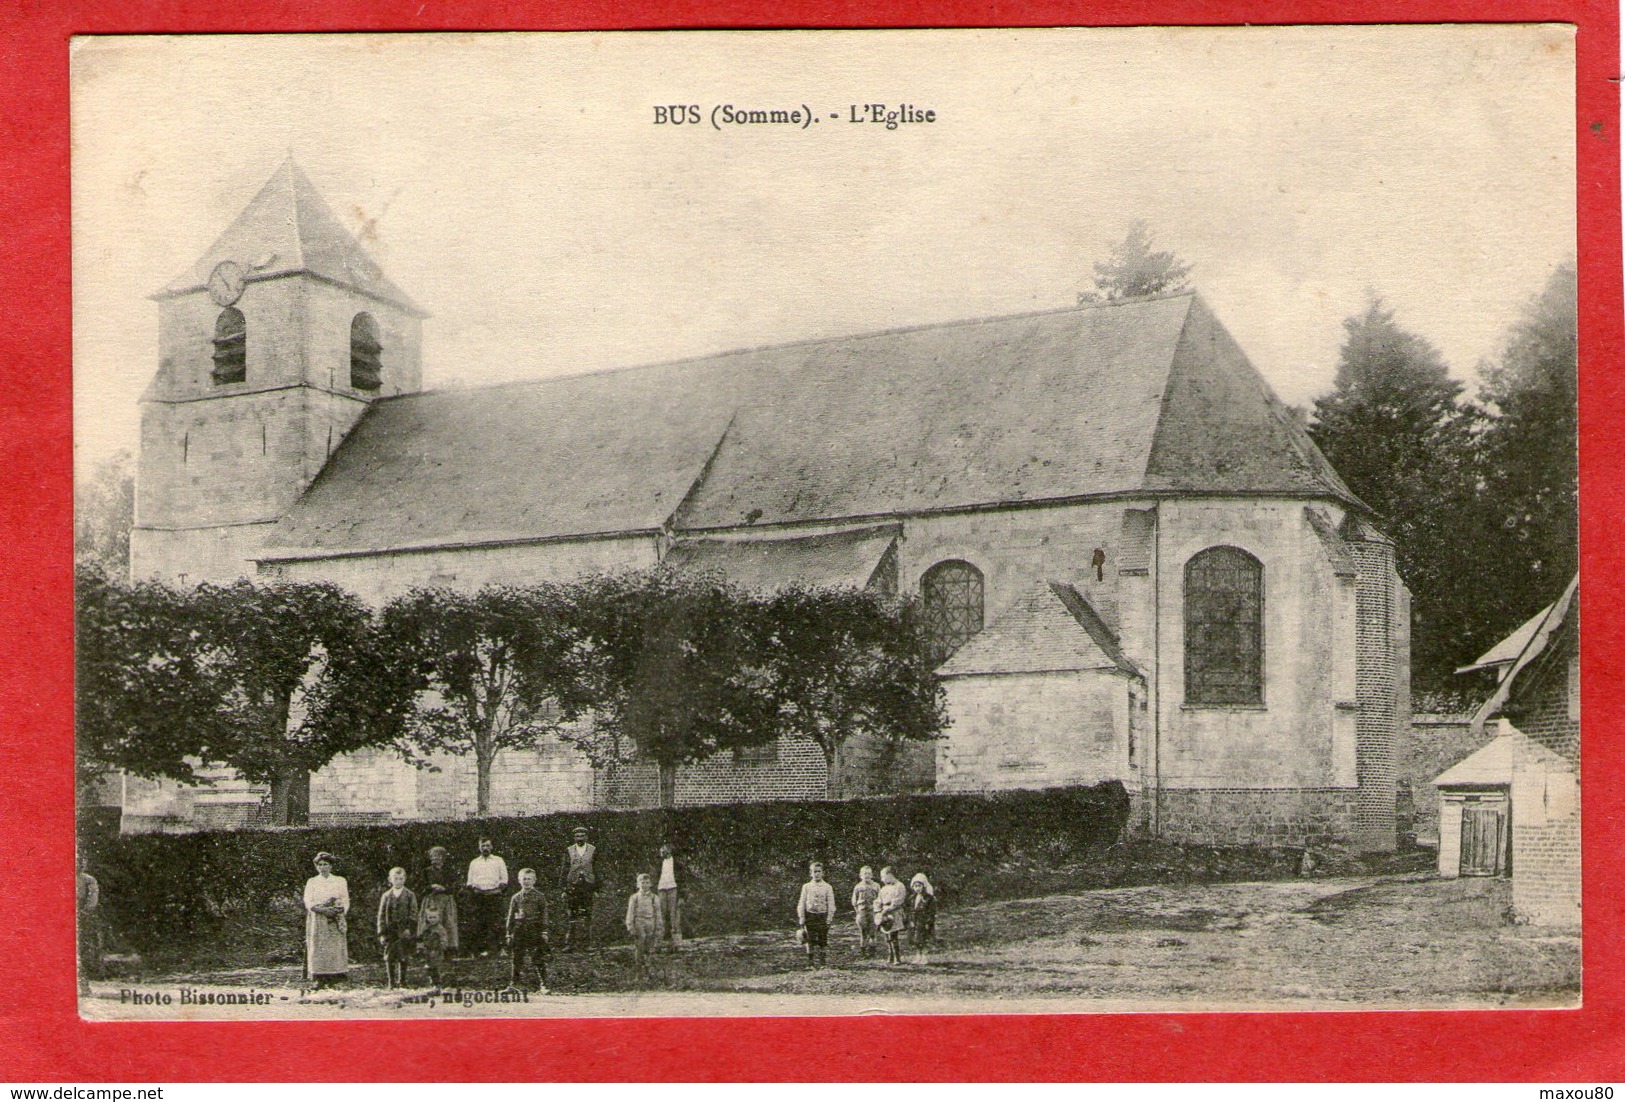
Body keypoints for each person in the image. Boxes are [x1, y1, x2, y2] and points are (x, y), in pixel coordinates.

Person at [303, 852, 351, 988]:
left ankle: (335, 977)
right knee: (319, 947)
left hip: (334, 917)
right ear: (316, 867)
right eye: (320, 865)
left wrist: (337, 910)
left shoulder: (340, 880)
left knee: (335, 946)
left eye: (326, 864)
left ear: (331, 866)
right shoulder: (312, 882)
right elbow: (307, 900)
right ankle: (319, 978)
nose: (323, 867)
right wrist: (322, 910)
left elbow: (345, 899)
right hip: (318, 917)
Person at [505, 868, 550, 993]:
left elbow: (544, 915)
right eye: (524, 879)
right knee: (516, 958)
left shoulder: (540, 897)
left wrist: (544, 931)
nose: (526, 882)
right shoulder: (516, 898)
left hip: (534, 930)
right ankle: (514, 984)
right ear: (519, 880)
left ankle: (544, 985)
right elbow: (510, 917)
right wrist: (508, 934)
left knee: (537, 957)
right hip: (519, 930)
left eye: (529, 879)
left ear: (534, 880)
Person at [465, 837, 510, 957]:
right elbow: (470, 882)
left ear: (492, 847)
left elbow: (504, 880)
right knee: (480, 923)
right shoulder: (474, 862)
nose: (485, 848)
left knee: (497, 923)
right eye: (483, 846)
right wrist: (477, 891)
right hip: (479, 896)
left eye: (487, 845)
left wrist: (496, 891)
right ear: (479, 847)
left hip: (495, 896)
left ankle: (501, 949)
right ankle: (482, 951)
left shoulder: (498, 860)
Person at [376, 866, 418, 989]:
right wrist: (381, 933)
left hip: (404, 931)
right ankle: (391, 982)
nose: (398, 881)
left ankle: (403, 981)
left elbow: (414, 913)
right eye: (395, 878)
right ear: (390, 879)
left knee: (403, 956)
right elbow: (381, 915)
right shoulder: (386, 895)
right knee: (389, 956)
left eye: (401, 878)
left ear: (405, 879)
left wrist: (409, 929)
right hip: (390, 931)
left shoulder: (410, 895)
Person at [416, 846, 461, 959]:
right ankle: (426, 950)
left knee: (448, 923)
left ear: (443, 858)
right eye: (433, 856)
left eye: (438, 856)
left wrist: (444, 888)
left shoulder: (449, 871)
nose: (435, 859)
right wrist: (431, 886)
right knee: (428, 923)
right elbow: (420, 886)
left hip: (446, 901)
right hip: (431, 900)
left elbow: (455, 887)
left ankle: (449, 951)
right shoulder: (426, 871)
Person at [623, 872, 665, 985]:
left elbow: (658, 914)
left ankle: (649, 973)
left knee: (649, 948)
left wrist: (659, 927)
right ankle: (639, 974)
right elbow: (630, 913)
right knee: (639, 948)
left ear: (650, 884)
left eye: (647, 883)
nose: (644, 885)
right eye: (642, 883)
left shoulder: (654, 898)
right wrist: (630, 926)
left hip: (650, 922)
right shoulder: (634, 898)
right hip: (639, 923)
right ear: (637, 884)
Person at [560, 827, 598, 950]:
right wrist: (563, 889)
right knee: (572, 915)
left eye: (582, 836)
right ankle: (569, 944)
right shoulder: (569, 850)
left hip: (587, 886)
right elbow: (564, 869)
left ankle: (588, 944)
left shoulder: (593, 849)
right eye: (577, 836)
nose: (580, 838)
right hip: (573, 886)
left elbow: (597, 869)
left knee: (587, 914)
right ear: (574, 838)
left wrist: (596, 888)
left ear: (586, 837)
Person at [796, 861, 837, 969]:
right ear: (811, 873)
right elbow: (802, 902)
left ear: (822, 873)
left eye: (819, 871)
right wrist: (801, 917)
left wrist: (829, 918)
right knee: (809, 940)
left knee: (822, 940)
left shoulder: (828, 887)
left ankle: (823, 963)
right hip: (810, 915)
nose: (817, 874)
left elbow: (831, 904)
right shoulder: (806, 886)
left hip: (822, 916)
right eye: (814, 871)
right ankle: (811, 963)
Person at [76, 856, 101, 996]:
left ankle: (84, 987)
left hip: (81, 919)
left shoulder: (88, 880)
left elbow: (92, 901)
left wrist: (83, 913)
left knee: (82, 952)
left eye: (81, 862)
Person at [875, 866, 908, 966]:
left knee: (893, 935)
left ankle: (897, 958)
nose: (882, 879)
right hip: (884, 912)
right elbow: (878, 900)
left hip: (894, 912)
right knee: (886, 935)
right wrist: (877, 910)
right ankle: (890, 956)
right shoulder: (884, 888)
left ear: (889, 875)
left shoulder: (899, 886)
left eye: (883, 876)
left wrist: (888, 909)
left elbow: (898, 900)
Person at [656, 843, 684, 947]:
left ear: (669, 851)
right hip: (661, 890)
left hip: (673, 890)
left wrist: (682, 896)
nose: (661, 853)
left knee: (674, 916)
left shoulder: (677, 864)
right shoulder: (658, 864)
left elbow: (683, 881)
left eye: (663, 851)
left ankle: (676, 943)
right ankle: (661, 943)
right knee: (661, 916)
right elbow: (655, 878)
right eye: (661, 851)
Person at [851, 866, 880, 958]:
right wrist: (858, 912)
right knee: (863, 933)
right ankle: (863, 953)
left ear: (872, 875)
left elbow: (880, 898)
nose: (867, 875)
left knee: (873, 933)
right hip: (862, 911)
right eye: (864, 873)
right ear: (860, 875)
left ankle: (872, 952)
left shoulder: (876, 885)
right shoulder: (858, 887)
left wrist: (878, 911)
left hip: (873, 911)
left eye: (869, 873)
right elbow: (854, 901)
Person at [418, 909, 450, 991]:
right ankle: (432, 982)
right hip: (428, 951)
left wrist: (442, 946)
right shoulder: (425, 927)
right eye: (430, 917)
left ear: (438, 917)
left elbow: (444, 938)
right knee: (429, 967)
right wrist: (420, 946)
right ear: (427, 918)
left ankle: (438, 983)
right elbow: (421, 938)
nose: (432, 919)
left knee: (436, 967)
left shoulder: (440, 928)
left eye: (434, 917)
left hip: (437, 951)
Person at [908, 872, 938, 955]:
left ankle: (924, 956)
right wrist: (911, 920)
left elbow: (931, 911)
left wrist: (928, 922)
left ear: (923, 886)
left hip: (924, 922)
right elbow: (911, 910)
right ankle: (918, 955)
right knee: (916, 939)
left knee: (924, 939)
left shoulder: (928, 898)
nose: (917, 888)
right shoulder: (912, 898)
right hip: (915, 921)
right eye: (915, 886)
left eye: (919, 886)